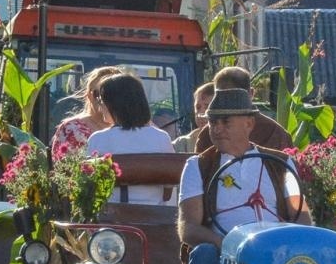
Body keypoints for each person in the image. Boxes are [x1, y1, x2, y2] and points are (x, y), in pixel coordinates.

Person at [179, 88, 309, 264]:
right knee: (203, 253)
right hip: (225, 253)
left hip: (276, 253)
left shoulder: (283, 163)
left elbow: (301, 216)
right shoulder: (197, 166)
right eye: (212, 122)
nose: (216, 129)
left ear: (249, 123)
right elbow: (188, 229)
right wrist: (225, 244)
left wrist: (285, 247)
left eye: (225, 122)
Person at [88, 73, 175, 204]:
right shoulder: (161, 138)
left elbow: (90, 186)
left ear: (112, 105)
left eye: (101, 100)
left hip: (110, 217)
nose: (100, 106)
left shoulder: (98, 139)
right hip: (152, 216)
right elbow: (167, 193)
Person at [192, 65, 293, 154]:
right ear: (251, 93)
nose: (219, 129)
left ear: (250, 124)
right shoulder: (278, 133)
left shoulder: (208, 135)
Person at [50, 65, 121, 159]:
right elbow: (61, 169)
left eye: (115, 93)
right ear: (89, 95)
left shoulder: (134, 128)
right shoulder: (72, 129)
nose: (106, 98)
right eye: (100, 93)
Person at [173, 82, 214, 153]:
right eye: (198, 107)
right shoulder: (182, 144)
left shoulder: (231, 144)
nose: (201, 112)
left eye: (207, 106)